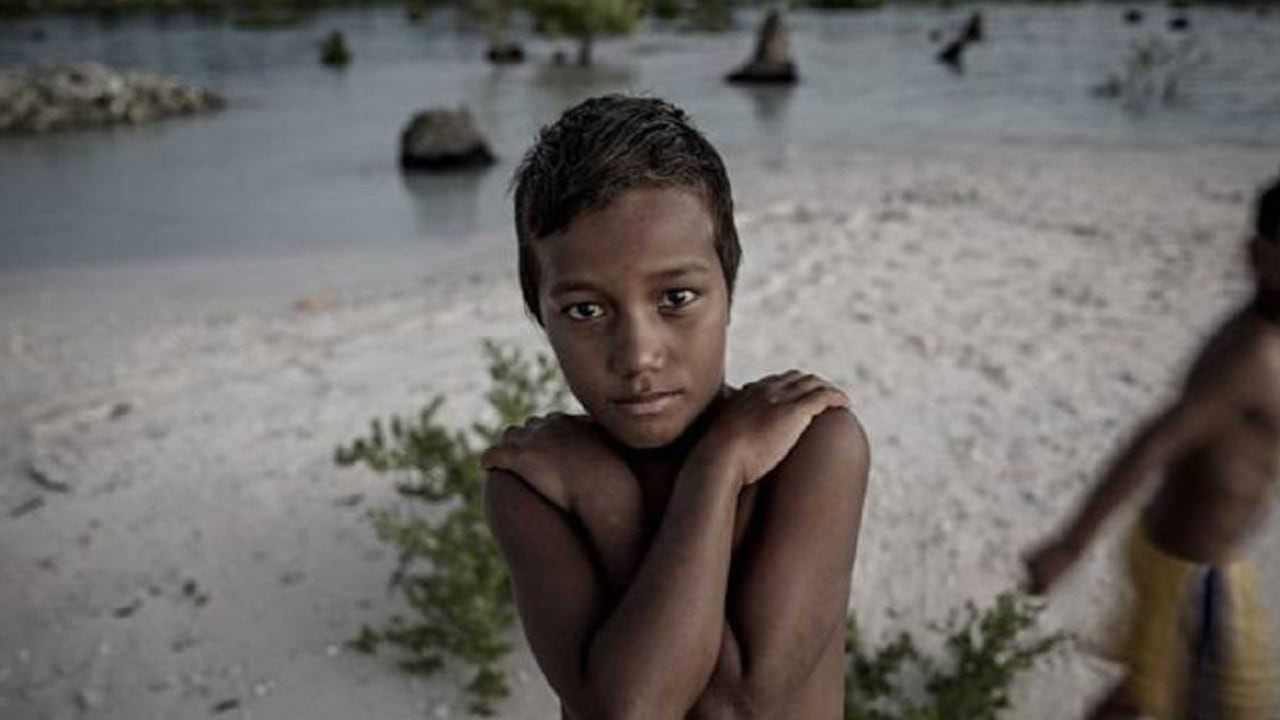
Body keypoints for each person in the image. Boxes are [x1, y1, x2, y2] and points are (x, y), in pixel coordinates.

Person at [480, 95, 870, 720]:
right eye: (586, 310)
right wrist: (683, 479)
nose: (637, 355)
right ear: (539, 315)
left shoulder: (813, 447)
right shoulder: (531, 485)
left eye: (677, 297)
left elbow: (733, 706)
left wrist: (698, 470)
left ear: (730, 287)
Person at [1026, 175, 1280, 720]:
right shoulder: (1248, 359)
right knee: (1235, 705)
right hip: (1197, 571)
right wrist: (1071, 545)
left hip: (1172, 553)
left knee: (1144, 694)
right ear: (1259, 255)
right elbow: (1151, 445)